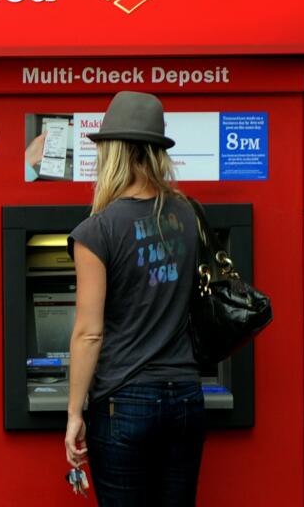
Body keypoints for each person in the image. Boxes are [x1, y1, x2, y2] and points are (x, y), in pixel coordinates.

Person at [63, 91, 205, 505]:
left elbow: (89, 334)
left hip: (124, 402)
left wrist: (74, 414)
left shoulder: (97, 231)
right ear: (155, 152)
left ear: (114, 154)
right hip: (185, 398)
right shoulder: (187, 215)